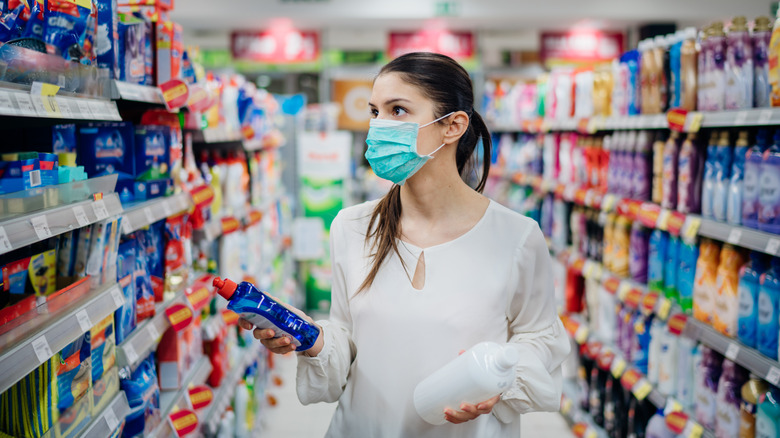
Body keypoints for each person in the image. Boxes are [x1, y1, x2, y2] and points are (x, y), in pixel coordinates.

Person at [238, 52, 571, 437]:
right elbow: (348, 341)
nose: (378, 127)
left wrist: (501, 384)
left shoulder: (516, 238)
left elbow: (540, 340)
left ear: (452, 126)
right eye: (374, 112)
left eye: (397, 111)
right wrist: (311, 339)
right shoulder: (352, 226)